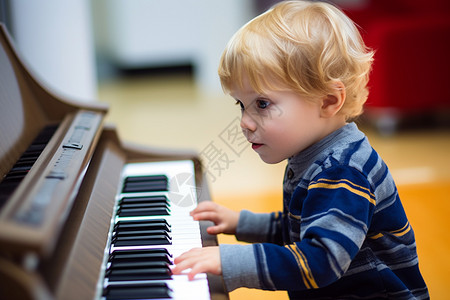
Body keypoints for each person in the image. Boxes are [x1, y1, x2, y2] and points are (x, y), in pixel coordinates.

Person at [172, 1, 429, 298]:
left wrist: (230, 261)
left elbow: (320, 260)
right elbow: (302, 226)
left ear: (328, 101)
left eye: (262, 104)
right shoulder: (315, 154)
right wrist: (240, 222)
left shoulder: (343, 171)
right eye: (241, 105)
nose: (244, 122)